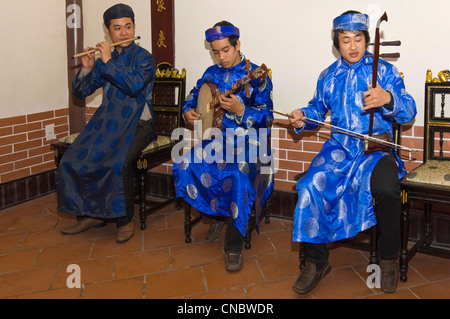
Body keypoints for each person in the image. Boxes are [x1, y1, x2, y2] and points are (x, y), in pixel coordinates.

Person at [289, 10, 416, 293]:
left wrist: (388, 98)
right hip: (340, 149)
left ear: (366, 40)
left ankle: (388, 258)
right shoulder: (328, 76)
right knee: (309, 185)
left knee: (387, 188)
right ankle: (317, 261)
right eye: (345, 40)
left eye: (358, 38)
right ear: (337, 43)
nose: (353, 46)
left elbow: (409, 110)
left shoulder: (383, 71)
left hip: (376, 148)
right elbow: (316, 110)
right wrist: (301, 116)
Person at [173, 21, 274, 272]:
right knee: (185, 163)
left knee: (238, 173)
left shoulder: (257, 76)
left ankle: (233, 244)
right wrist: (188, 111)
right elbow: (193, 95)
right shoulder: (211, 73)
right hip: (217, 139)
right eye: (215, 52)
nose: (221, 57)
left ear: (237, 44)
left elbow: (268, 117)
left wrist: (241, 110)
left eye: (226, 50)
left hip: (250, 140)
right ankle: (215, 211)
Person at [57, 3, 156, 243]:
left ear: (134, 27)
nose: (123, 33)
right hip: (108, 120)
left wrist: (108, 60)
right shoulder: (103, 60)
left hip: (138, 123)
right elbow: (81, 92)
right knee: (74, 158)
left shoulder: (144, 58)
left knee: (117, 163)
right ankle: (91, 213)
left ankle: (125, 220)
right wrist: (87, 68)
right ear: (108, 32)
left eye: (128, 26)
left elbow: (133, 87)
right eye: (117, 28)